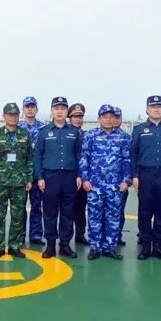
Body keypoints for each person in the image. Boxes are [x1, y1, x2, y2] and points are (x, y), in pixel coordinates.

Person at [130, 95, 161, 261]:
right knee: (145, 211)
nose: (156, 109)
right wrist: (135, 175)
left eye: (159, 106)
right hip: (145, 174)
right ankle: (145, 245)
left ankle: (158, 246)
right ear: (147, 109)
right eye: (153, 106)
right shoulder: (139, 130)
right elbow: (133, 154)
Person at [80, 105, 131, 260]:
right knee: (95, 217)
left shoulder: (122, 137)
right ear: (99, 119)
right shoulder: (91, 135)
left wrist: (125, 181)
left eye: (111, 116)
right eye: (105, 116)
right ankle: (95, 248)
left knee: (113, 218)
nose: (108, 119)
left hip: (115, 186)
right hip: (95, 185)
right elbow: (84, 158)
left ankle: (110, 248)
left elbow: (127, 160)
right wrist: (85, 179)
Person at [33, 96, 81, 259]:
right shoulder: (44, 132)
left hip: (69, 177)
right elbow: (38, 156)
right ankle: (51, 245)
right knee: (50, 212)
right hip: (50, 177)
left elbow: (78, 155)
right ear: (52, 111)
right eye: (56, 108)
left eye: (62, 108)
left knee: (68, 213)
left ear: (67, 111)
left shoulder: (74, 132)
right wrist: (40, 177)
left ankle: (65, 245)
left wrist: (79, 175)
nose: (59, 111)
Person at [0, 102, 33, 258]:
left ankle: (14, 246)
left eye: (15, 115)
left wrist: (29, 178)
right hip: (0, 182)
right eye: (9, 114)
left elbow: (29, 159)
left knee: (18, 216)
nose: (13, 117)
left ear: (18, 116)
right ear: (4, 116)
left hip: (19, 182)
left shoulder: (25, 135)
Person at [17, 96, 45, 244]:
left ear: (36, 109)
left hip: (37, 174)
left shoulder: (43, 128)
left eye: (32, 106)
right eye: (27, 106)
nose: (30, 109)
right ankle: (19, 234)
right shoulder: (18, 128)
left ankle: (35, 235)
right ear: (23, 110)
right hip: (21, 175)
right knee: (20, 207)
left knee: (36, 206)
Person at [68, 103, 89, 244]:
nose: (78, 119)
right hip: (69, 177)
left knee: (81, 207)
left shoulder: (87, 135)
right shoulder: (66, 133)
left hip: (83, 176)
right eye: (75, 116)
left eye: (80, 116)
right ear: (70, 118)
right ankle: (66, 237)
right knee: (67, 208)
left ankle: (80, 234)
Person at [112, 107, 130, 247]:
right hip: (103, 183)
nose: (115, 120)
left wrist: (128, 179)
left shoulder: (126, 137)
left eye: (118, 117)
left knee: (119, 211)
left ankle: (117, 235)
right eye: (113, 117)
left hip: (121, 182)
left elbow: (131, 160)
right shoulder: (97, 135)